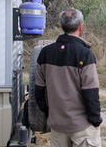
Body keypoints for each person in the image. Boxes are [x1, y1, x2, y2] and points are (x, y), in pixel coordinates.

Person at [35, 8, 102, 147]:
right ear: (81, 27)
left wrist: (51, 115)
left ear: (61, 27)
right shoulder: (85, 54)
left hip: (57, 125)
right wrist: (95, 120)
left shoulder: (45, 53)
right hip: (81, 126)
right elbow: (91, 93)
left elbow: (39, 92)